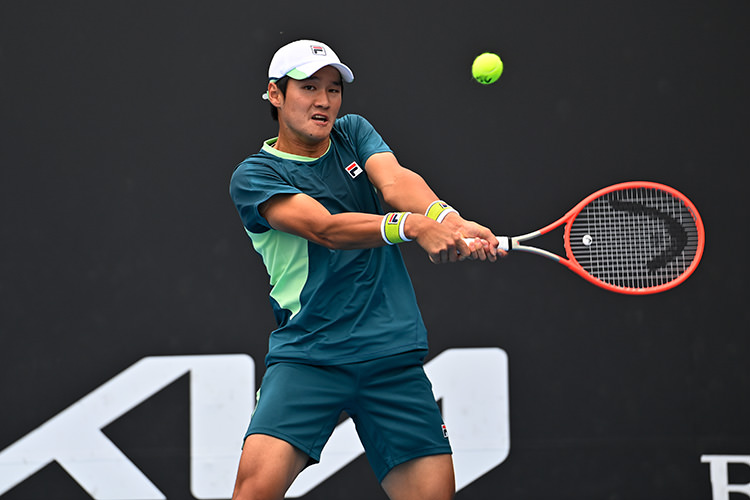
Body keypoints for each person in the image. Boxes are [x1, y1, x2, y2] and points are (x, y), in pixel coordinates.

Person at [229, 39, 504, 500]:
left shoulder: (353, 133)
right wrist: (412, 226)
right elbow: (325, 229)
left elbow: (395, 181)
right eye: (309, 87)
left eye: (333, 89)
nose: (323, 100)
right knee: (254, 493)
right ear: (275, 94)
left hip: (389, 354)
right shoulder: (256, 176)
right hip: (310, 355)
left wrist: (447, 219)